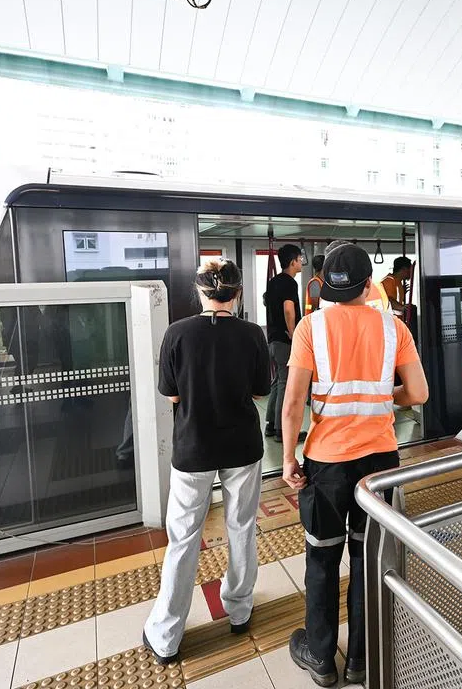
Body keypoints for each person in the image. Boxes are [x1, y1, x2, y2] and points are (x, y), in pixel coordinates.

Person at [281, 241, 429, 687]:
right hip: (379, 463)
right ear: (369, 284)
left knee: (322, 560)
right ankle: (362, 659)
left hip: (325, 466)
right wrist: (384, 401)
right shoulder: (394, 328)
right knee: (368, 558)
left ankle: (322, 658)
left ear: (324, 284)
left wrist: (288, 458)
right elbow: (418, 394)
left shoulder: (311, 327)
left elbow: (291, 405)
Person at [142, 258, 271, 664]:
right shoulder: (252, 335)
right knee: (241, 527)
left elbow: (173, 396)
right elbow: (260, 393)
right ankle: (239, 610)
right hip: (242, 448)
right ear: (237, 294)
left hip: (193, 448)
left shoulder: (176, 334)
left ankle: (166, 636)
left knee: (182, 540)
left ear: (199, 292)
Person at [264, 244, 304, 441]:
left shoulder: (273, 282)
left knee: (276, 382)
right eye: (300, 259)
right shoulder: (289, 283)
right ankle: (282, 430)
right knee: (285, 383)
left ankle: (271, 424)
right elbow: (289, 309)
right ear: (292, 262)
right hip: (284, 341)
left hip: (272, 339)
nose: (302, 262)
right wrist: (294, 333)